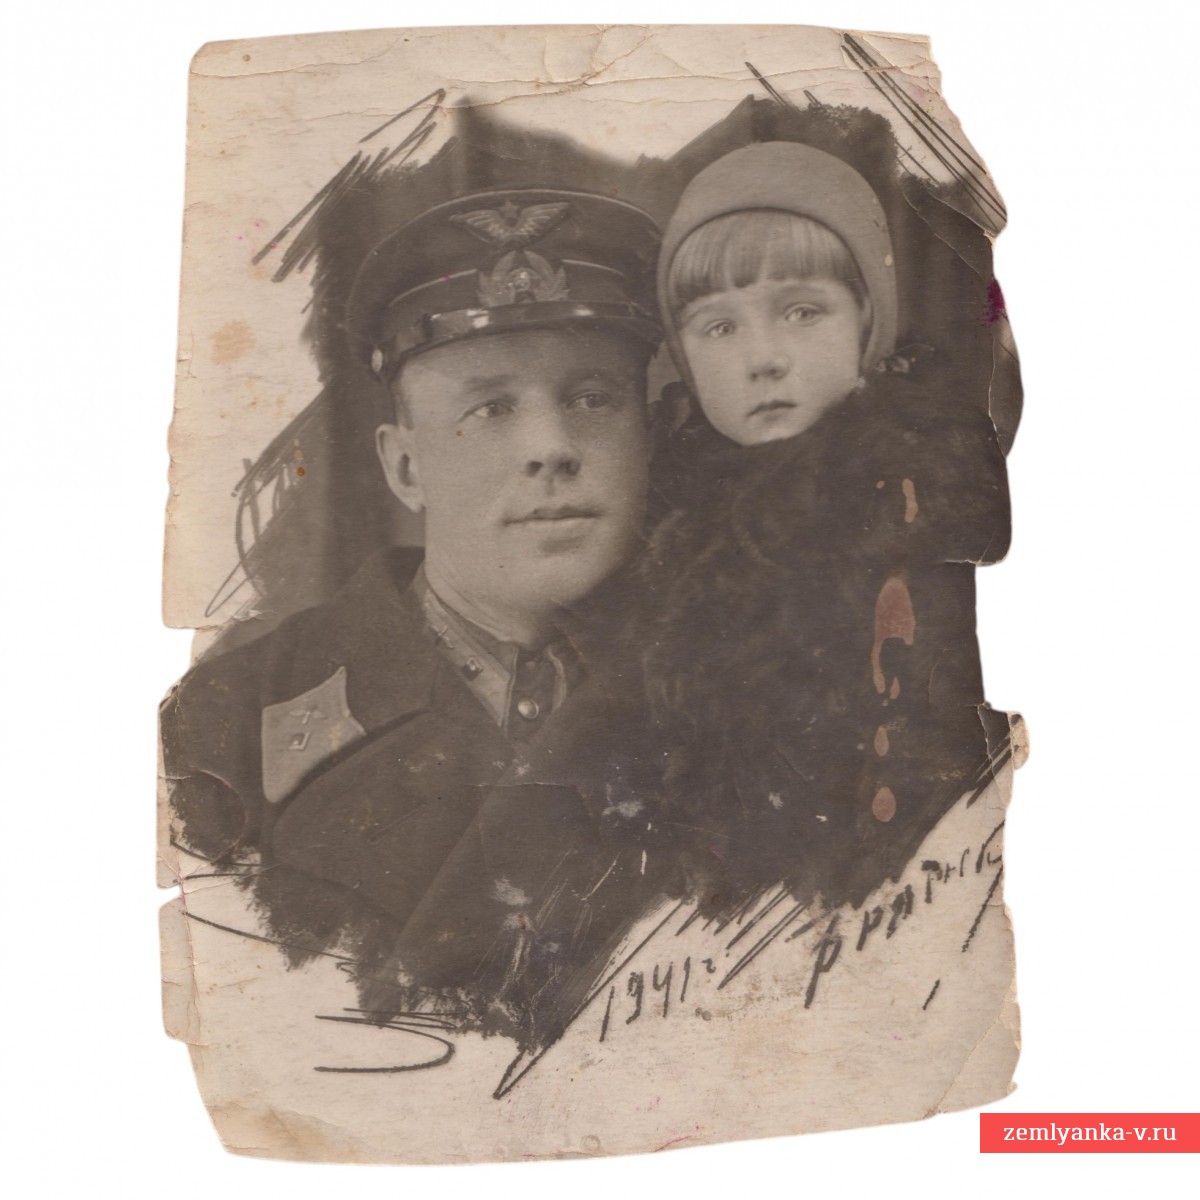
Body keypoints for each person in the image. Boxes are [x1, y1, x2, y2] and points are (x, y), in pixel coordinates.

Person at [162, 187, 670, 1041]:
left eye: (592, 398)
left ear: (647, 438)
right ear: (405, 469)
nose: (552, 447)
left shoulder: (745, 691)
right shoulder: (228, 719)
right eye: (490, 408)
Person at [636, 142, 1012, 912]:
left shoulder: (915, 497)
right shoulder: (682, 536)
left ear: (867, 320)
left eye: (801, 312)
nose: (763, 359)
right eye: (718, 328)